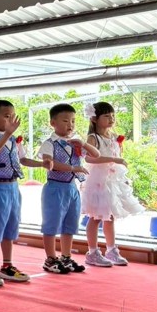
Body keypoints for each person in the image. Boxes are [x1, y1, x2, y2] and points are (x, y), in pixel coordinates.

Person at [0, 100, 43, 285]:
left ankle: (7, 265)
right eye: (7, 116)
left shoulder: (13, 138)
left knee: (10, 228)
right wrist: (7, 134)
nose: (11, 120)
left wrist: (41, 164)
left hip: (14, 187)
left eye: (12, 116)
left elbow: (22, 159)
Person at [38, 103, 100, 274]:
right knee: (51, 225)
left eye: (73, 121)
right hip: (55, 188)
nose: (70, 125)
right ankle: (50, 259)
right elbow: (50, 164)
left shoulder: (75, 142)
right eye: (65, 121)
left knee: (69, 225)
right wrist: (74, 169)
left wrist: (84, 144)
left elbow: (96, 154)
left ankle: (66, 257)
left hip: (72, 188)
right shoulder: (49, 143)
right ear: (53, 123)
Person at [81, 101, 143, 267]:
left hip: (113, 179)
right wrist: (114, 159)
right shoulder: (93, 138)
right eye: (106, 116)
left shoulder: (113, 136)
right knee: (95, 217)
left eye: (112, 115)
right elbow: (88, 158)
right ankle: (92, 251)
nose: (111, 119)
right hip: (99, 180)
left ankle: (111, 249)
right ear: (94, 119)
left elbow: (116, 154)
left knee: (110, 216)